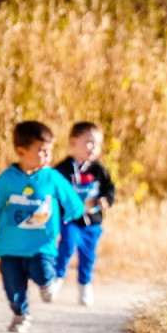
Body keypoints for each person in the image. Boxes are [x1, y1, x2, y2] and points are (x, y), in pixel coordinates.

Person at [0, 121, 84, 333]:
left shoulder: (51, 177)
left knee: (42, 272)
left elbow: (72, 201)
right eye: (41, 151)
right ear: (21, 151)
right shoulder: (7, 180)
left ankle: (48, 282)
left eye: (50, 151)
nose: (47, 156)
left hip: (42, 245)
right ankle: (20, 315)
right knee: (13, 286)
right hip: (10, 247)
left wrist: (73, 215)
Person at [48, 121, 115, 306]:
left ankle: (85, 286)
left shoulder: (98, 170)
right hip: (70, 219)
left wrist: (105, 200)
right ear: (73, 142)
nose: (93, 148)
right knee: (67, 246)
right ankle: (57, 279)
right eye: (89, 142)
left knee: (88, 255)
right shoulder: (63, 169)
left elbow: (109, 189)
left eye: (97, 144)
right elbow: (51, 187)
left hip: (92, 222)